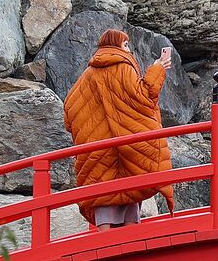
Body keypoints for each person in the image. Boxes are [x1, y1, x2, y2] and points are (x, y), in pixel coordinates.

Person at [63, 30, 175, 229]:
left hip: (97, 147)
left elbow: (69, 109)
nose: (128, 49)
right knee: (131, 186)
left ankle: (104, 241)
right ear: (116, 46)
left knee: (102, 191)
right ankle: (130, 242)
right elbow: (144, 97)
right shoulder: (122, 67)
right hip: (126, 145)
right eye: (125, 45)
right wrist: (157, 69)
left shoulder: (87, 74)